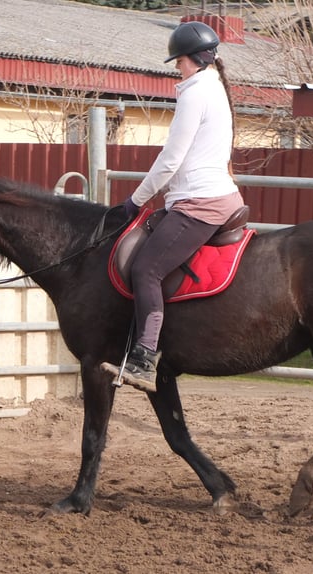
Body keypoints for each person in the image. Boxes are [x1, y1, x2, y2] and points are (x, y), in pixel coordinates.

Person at [105, 21, 245, 393]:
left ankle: (146, 358)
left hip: (201, 202)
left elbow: (171, 160)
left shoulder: (197, 92)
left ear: (194, 60)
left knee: (147, 268)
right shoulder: (212, 87)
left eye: (178, 62)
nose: (177, 69)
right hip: (201, 195)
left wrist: (135, 201)